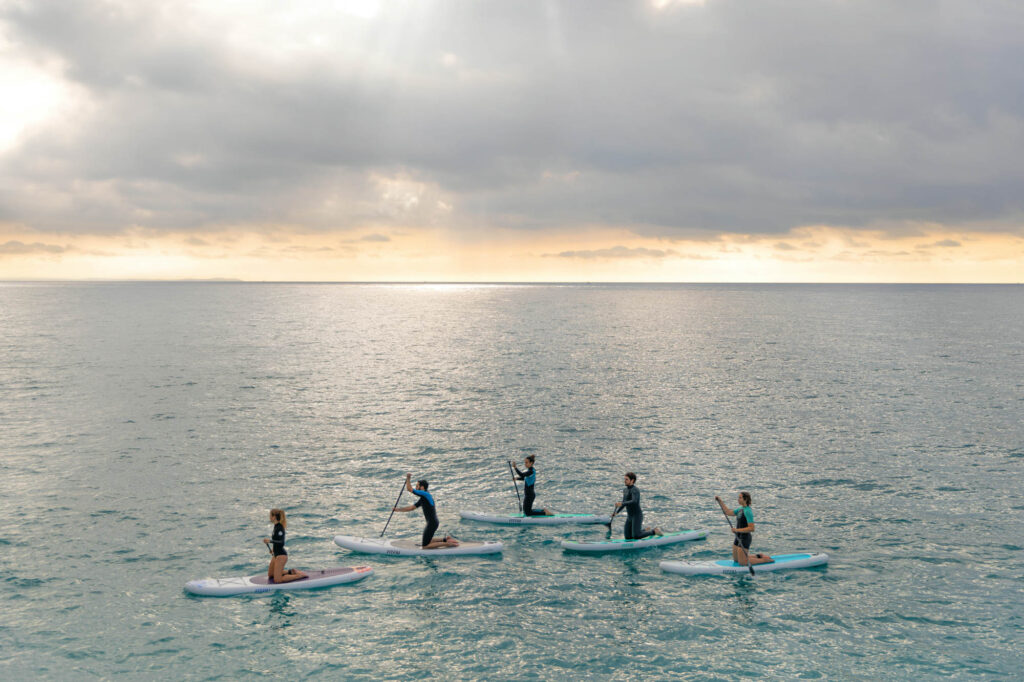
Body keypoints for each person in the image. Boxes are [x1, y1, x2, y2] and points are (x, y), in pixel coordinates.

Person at [393, 473, 460, 549]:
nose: (416, 487)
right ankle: (445, 539)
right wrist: (398, 510)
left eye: (417, 486)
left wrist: (408, 478)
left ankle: (448, 544)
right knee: (427, 541)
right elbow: (412, 508)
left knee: (425, 546)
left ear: (422, 487)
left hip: (432, 523)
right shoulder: (423, 498)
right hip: (432, 522)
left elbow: (409, 489)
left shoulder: (425, 494)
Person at [715, 492, 774, 565]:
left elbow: (752, 528)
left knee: (742, 562)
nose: (738, 499)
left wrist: (736, 530)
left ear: (745, 499)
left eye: (740, 498)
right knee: (736, 560)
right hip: (738, 536)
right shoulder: (740, 509)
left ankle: (765, 560)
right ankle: (758, 556)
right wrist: (720, 501)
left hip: (745, 538)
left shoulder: (748, 511)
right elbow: (728, 512)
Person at [263, 508, 307, 583]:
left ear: (274, 517)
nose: (269, 517)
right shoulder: (275, 526)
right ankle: (291, 571)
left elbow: (281, 542)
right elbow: (277, 540)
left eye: (270, 515)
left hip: (281, 555)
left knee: (277, 580)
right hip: (276, 555)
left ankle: (299, 575)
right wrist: (273, 549)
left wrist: (270, 541)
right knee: (271, 574)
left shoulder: (280, 528)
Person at [614, 472, 661, 540]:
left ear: (632, 480)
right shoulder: (625, 490)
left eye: (626, 479)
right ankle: (645, 530)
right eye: (624, 479)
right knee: (627, 537)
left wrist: (622, 503)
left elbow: (634, 501)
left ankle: (654, 531)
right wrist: (617, 512)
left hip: (637, 515)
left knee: (636, 536)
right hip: (629, 516)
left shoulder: (635, 490)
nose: (624, 481)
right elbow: (624, 502)